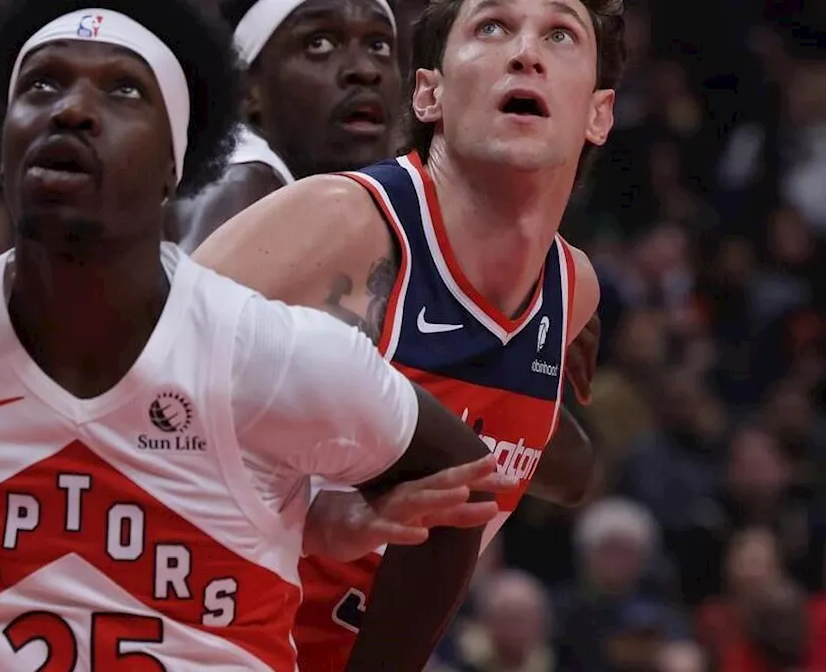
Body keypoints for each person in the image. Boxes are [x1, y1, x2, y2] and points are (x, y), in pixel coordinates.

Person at [0, 0, 515, 668]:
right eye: (42, 84)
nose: (70, 109)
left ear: (173, 167)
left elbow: (465, 479)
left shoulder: (269, 355)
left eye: (124, 90)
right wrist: (307, 521)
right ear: (3, 148)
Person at [194, 0, 625, 668]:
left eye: (561, 33)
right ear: (429, 92)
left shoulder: (574, 289)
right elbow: (119, 391)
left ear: (599, 113)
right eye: (491, 26)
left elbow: (531, 464)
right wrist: (309, 524)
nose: (526, 52)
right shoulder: (337, 224)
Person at [169, 0, 405, 250]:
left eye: (379, 46)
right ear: (247, 90)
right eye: (319, 44)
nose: (365, 70)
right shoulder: (243, 185)